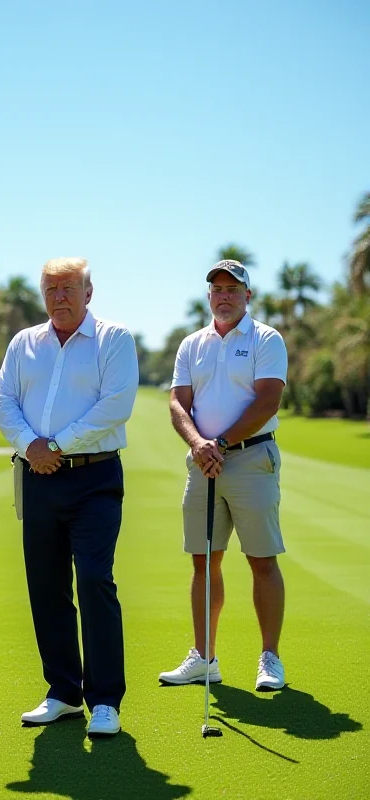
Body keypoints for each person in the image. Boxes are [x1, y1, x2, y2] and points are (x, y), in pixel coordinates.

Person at [0, 257, 139, 737]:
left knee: (95, 581)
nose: (59, 297)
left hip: (94, 478)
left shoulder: (113, 339)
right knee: (47, 586)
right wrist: (30, 447)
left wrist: (56, 445)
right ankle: (62, 693)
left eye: (69, 288)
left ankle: (104, 701)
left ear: (89, 292)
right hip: (37, 477)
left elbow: (116, 405)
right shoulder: (23, 343)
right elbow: (3, 398)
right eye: (51, 288)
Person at [159, 260, 288, 691]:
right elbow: (179, 402)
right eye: (217, 288)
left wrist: (223, 444)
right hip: (203, 462)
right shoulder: (192, 344)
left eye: (234, 288)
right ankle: (205, 658)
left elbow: (267, 401)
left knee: (261, 559)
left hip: (250, 459)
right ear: (208, 295)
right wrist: (200, 445)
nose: (225, 294)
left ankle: (270, 658)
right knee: (203, 561)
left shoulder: (265, 339)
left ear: (248, 295)